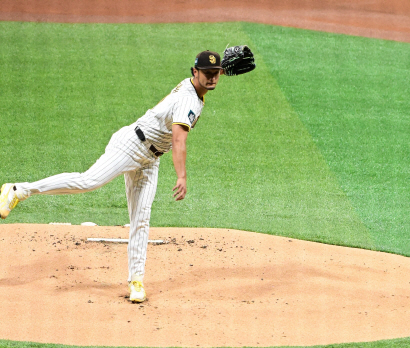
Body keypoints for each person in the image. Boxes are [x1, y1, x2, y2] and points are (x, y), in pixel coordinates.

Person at [0, 47, 254, 304]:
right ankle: (18, 190)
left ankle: (136, 280)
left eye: (216, 72)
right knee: (88, 181)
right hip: (131, 144)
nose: (211, 77)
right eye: (206, 72)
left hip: (150, 159)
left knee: (141, 219)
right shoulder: (189, 99)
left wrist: (217, 64)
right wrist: (182, 176)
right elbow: (179, 139)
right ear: (194, 72)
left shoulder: (193, 89)